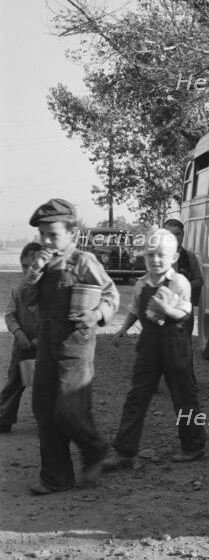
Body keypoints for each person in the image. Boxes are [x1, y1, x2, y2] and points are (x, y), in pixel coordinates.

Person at [22, 199, 120, 495]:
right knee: (43, 410)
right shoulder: (41, 264)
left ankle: (97, 450)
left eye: (53, 234)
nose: (46, 241)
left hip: (76, 345)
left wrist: (97, 314)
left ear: (72, 234)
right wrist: (34, 273)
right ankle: (56, 478)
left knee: (68, 409)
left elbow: (111, 295)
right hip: (48, 344)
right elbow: (26, 301)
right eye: (43, 235)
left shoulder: (84, 261)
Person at [103, 229, 207, 469]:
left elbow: (185, 312)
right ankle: (124, 450)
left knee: (184, 395)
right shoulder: (141, 283)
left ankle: (193, 446)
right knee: (137, 396)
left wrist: (166, 310)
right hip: (148, 348)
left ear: (174, 257)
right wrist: (124, 329)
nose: (155, 260)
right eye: (150, 255)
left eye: (161, 255)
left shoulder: (180, 282)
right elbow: (133, 308)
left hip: (175, 346)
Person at [0, 243, 41, 433]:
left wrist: (41, 339)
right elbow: (9, 315)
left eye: (33, 266)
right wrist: (19, 334)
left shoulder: (49, 291)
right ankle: (3, 418)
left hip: (46, 345)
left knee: (48, 384)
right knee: (14, 381)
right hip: (22, 344)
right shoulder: (18, 290)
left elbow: (55, 319)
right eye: (24, 266)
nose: (28, 271)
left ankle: (50, 421)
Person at [163, 219, 203, 336]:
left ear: (183, 235)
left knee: (184, 345)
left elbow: (199, 280)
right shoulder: (157, 257)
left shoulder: (189, 257)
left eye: (178, 234)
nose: (174, 237)